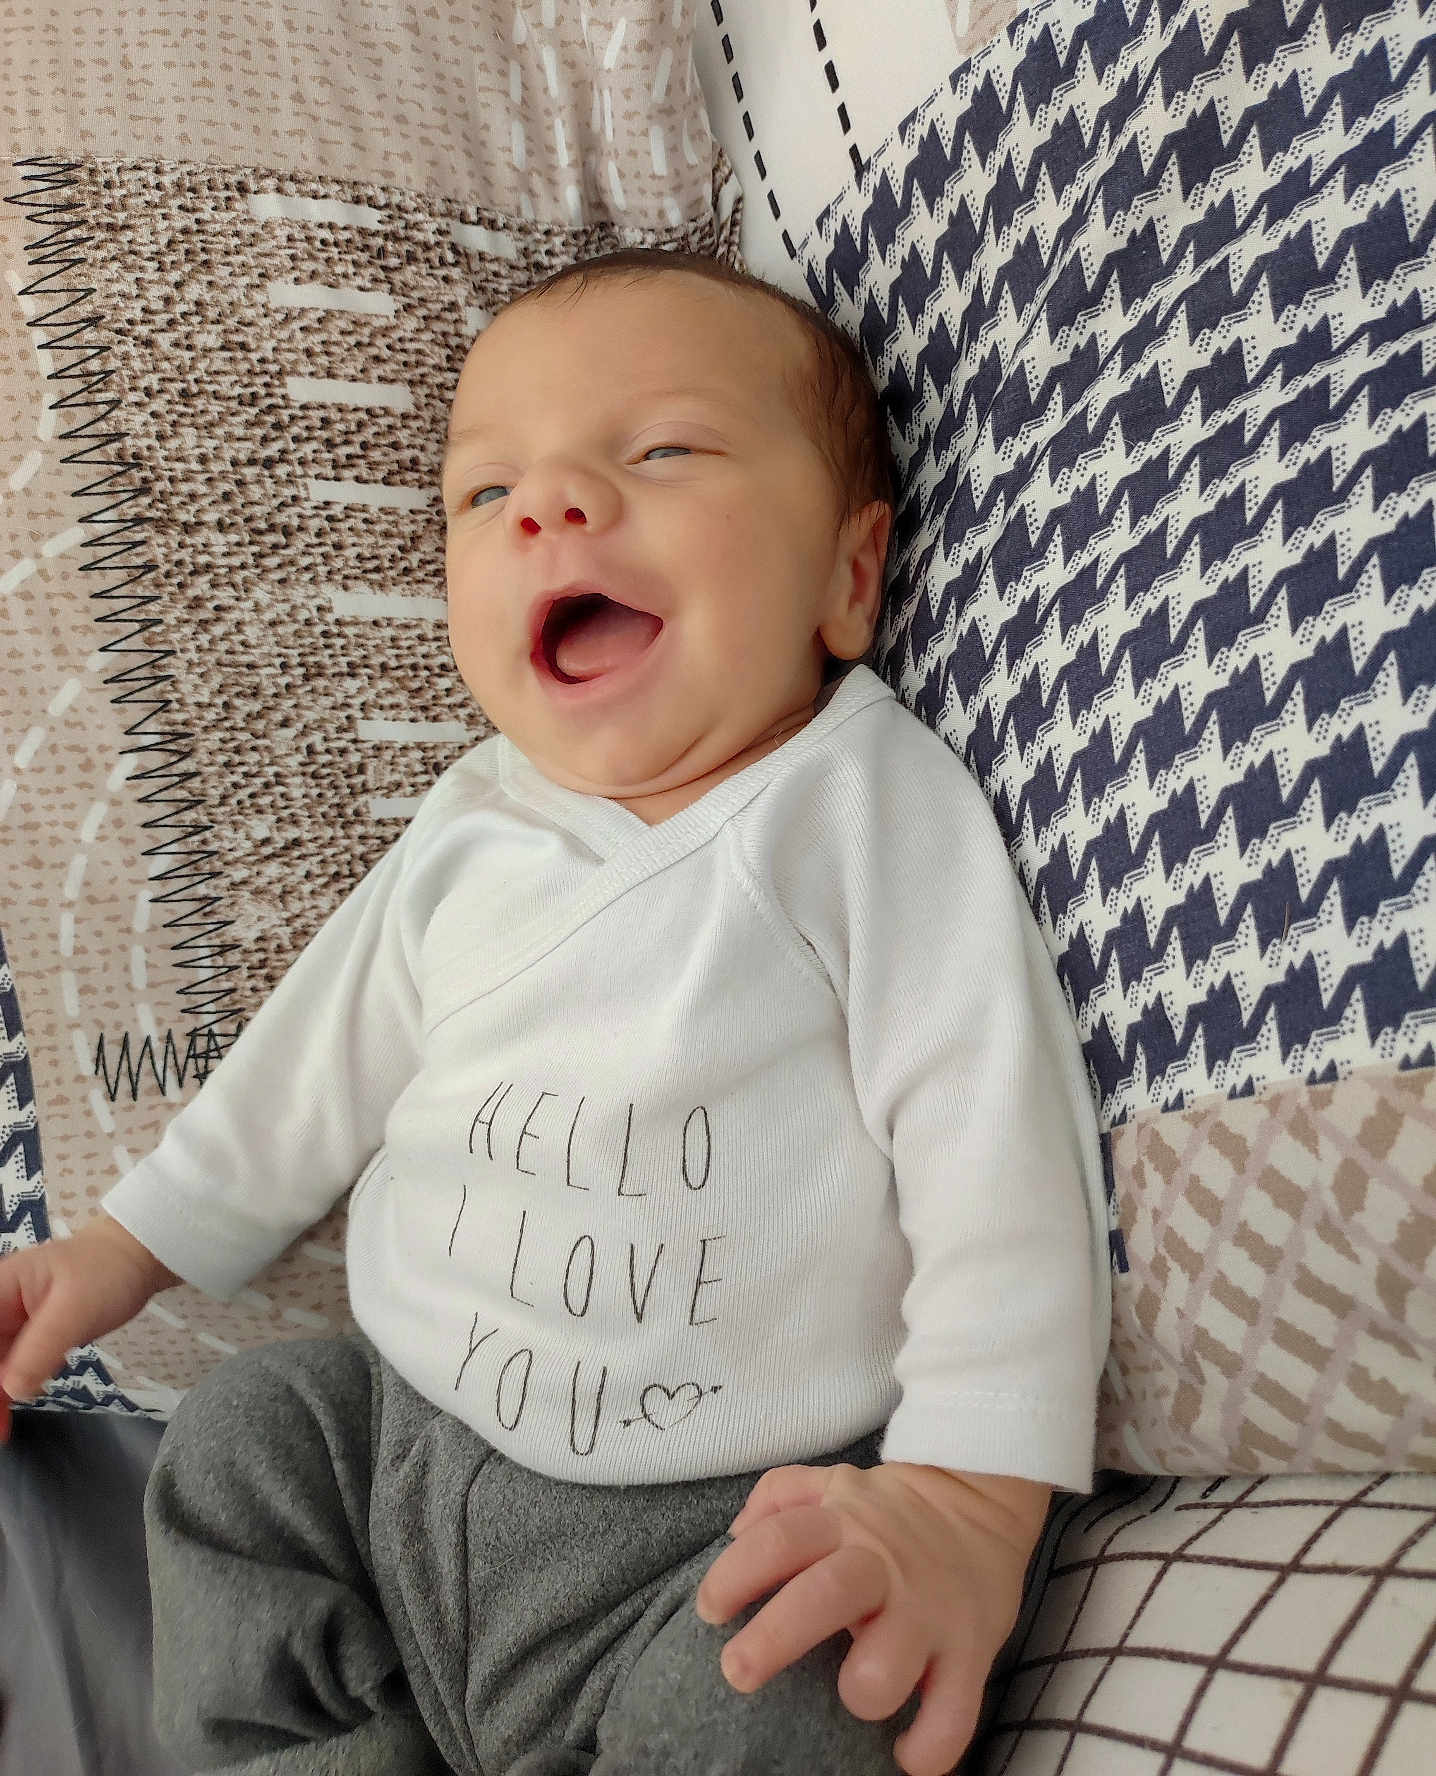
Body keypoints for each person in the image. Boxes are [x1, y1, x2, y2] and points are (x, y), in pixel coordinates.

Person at [0, 249, 1111, 1776]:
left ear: (853, 577)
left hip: (721, 1529)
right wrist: (118, 1250)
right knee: (240, 1445)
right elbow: (313, 1060)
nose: (552, 505)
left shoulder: (864, 811)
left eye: (661, 452)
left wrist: (970, 1499)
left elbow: (1000, 1149)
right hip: (398, 1451)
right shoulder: (472, 829)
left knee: (815, 1670)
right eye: (483, 494)